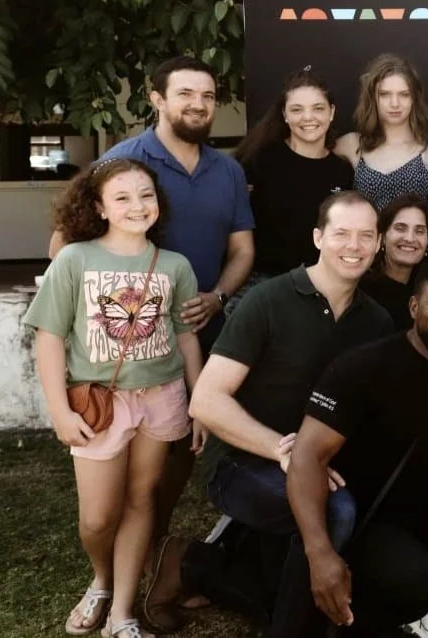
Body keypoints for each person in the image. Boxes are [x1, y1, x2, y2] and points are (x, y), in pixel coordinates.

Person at [50, 55, 256, 571]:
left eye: (207, 96)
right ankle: (110, 566)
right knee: (112, 472)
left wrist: (219, 297)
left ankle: (147, 552)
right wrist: (99, 314)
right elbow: (63, 244)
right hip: (125, 345)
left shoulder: (227, 169)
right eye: (185, 93)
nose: (198, 104)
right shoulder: (123, 161)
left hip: (195, 330)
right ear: (158, 98)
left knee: (175, 455)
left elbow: (243, 252)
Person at [177, 191, 395, 637]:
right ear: (318, 237)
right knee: (334, 512)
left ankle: (213, 564)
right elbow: (207, 399)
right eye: (341, 234)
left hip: (322, 460)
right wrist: (283, 451)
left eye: (365, 236)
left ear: (378, 246)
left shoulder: (376, 322)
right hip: (244, 461)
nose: (353, 246)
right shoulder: (269, 300)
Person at [26, 159, 204, 638]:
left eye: (146, 195)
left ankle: (122, 614)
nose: (137, 205)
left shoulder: (174, 265)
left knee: (141, 499)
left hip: (162, 395)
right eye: (122, 197)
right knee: (98, 516)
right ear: (99, 207)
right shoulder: (75, 259)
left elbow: (186, 336)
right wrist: (59, 411)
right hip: (101, 402)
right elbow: (48, 337)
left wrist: (200, 400)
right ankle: (101, 580)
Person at [289, 260, 428, 638]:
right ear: (414, 307)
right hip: (368, 519)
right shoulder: (364, 367)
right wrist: (319, 553)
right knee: (417, 579)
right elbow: (307, 456)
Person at [231, 66, 354, 312]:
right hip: (261, 287)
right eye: (297, 109)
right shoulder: (259, 161)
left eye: (318, 108)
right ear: (285, 115)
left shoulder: (342, 170)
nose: (308, 117)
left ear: (331, 112)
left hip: (319, 289)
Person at [334, 53, 428, 211]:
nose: (395, 104)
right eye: (385, 94)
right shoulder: (351, 144)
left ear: (414, 98)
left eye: (404, 94)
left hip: (416, 235)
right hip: (369, 235)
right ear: (372, 98)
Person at [359, 193, 428, 330]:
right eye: (400, 228)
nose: (410, 238)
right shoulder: (361, 290)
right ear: (383, 237)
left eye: (420, 231)